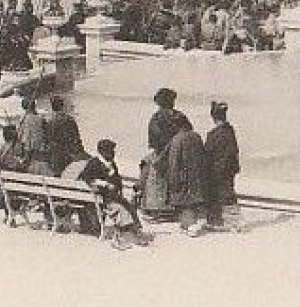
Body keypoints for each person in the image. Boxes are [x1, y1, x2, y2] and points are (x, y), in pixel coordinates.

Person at [79, 138, 150, 248]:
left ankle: (135, 232)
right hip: (102, 198)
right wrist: (104, 183)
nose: (113, 153)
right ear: (102, 152)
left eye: (113, 150)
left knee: (129, 207)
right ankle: (123, 237)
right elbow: (86, 177)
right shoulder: (94, 163)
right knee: (121, 209)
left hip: (113, 196)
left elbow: (117, 180)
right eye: (110, 150)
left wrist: (116, 185)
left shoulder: (111, 163)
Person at [139, 87, 189, 220]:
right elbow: (188, 135)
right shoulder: (180, 116)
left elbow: (155, 142)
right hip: (181, 155)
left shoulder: (156, 118)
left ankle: (156, 208)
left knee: (148, 165)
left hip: (164, 154)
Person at [164, 115, 208, 236]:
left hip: (183, 178)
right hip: (197, 177)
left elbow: (173, 163)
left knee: (185, 203)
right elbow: (204, 158)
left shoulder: (177, 140)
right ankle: (189, 225)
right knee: (192, 202)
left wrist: (173, 181)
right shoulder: (196, 136)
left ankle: (189, 226)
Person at [204, 101, 240, 228]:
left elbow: (207, 154)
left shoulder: (213, 135)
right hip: (229, 170)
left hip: (216, 171)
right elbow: (234, 152)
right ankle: (232, 222)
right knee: (228, 195)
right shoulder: (230, 131)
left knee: (215, 196)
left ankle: (217, 222)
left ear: (214, 117)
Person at [47, 95, 87, 170]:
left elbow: (49, 139)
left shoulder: (50, 121)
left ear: (52, 107)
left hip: (56, 154)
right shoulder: (70, 119)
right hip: (69, 153)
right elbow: (76, 138)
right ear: (62, 106)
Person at [15, 95, 52, 175]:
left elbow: (20, 138)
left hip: (29, 154)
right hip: (41, 154)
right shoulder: (41, 119)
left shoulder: (24, 120)